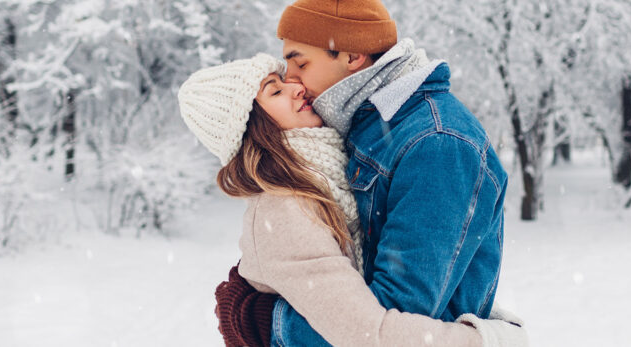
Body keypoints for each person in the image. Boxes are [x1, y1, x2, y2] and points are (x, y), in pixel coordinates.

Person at [178, 54, 527, 346]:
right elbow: (368, 336)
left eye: (285, 79)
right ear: (253, 127)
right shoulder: (285, 209)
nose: (297, 86)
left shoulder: (328, 176)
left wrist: (270, 325)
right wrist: (488, 340)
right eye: (276, 90)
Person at [262, 0, 518, 345]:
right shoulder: (369, 128)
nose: (291, 79)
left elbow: (399, 316)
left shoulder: (437, 144)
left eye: (300, 62)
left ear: (353, 56)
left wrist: (269, 321)